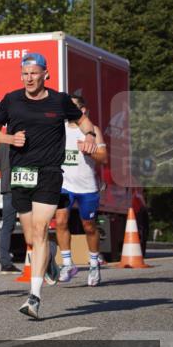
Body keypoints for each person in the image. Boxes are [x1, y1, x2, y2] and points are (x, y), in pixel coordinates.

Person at [0, 53, 98, 319]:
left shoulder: (59, 100)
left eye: (34, 73)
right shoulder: (11, 99)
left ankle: (33, 298)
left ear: (45, 74)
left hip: (49, 173)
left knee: (39, 229)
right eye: (25, 73)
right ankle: (48, 257)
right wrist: (9, 138)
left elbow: (82, 120)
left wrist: (91, 135)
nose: (29, 78)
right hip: (21, 173)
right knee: (31, 240)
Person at [54, 95, 108, 286]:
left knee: (89, 226)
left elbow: (104, 158)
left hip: (87, 187)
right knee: (60, 221)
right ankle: (67, 264)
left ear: (82, 110)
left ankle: (94, 264)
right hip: (64, 185)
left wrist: (90, 151)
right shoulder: (59, 129)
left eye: (73, 107)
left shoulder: (92, 131)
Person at [0, 142, 21, 273]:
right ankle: (39, 261)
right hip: (24, 185)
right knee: (34, 224)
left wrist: (6, 167)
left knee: (7, 226)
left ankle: (5, 263)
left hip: (7, 186)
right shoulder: (25, 137)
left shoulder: (2, 141)